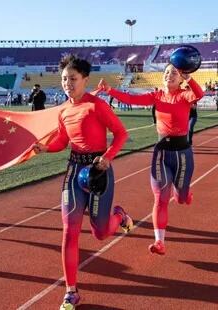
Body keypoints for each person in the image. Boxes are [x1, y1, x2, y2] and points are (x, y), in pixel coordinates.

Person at [32, 55, 132, 310]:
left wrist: (107, 158)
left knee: (100, 232)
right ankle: (71, 291)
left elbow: (121, 134)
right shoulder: (63, 110)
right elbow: (62, 142)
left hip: (98, 171)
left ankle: (119, 217)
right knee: (70, 230)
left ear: (85, 80)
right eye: (64, 79)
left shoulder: (97, 105)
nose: (68, 83)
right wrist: (45, 147)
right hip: (75, 171)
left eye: (73, 79)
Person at [97, 63, 204, 256]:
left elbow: (199, 94)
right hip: (161, 153)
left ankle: (184, 194)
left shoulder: (184, 94)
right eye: (166, 72)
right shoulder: (156, 96)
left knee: (180, 198)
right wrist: (109, 90)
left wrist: (189, 78)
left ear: (180, 78)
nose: (169, 75)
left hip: (183, 154)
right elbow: (131, 98)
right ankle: (159, 241)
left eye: (174, 73)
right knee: (161, 198)